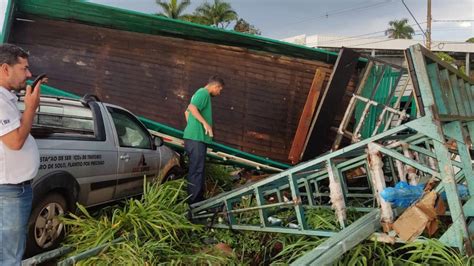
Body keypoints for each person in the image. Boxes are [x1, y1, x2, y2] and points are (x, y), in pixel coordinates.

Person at [0, 44, 42, 265]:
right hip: (9, 191)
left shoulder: (6, 99)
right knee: (10, 256)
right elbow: (15, 141)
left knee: (9, 249)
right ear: (6, 69)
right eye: (24, 68)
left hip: (12, 189)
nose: (29, 74)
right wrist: (31, 108)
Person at [183, 76, 224, 205]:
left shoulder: (198, 93)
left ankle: (197, 199)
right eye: (220, 90)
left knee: (197, 169)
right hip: (196, 139)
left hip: (194, 137)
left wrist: (192, 127)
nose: (219, 93)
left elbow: (187, 112)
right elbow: (192, 108)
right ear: (215, 86)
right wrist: (205, 124)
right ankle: (194, 202)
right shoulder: (203, 93)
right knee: (196, 170)